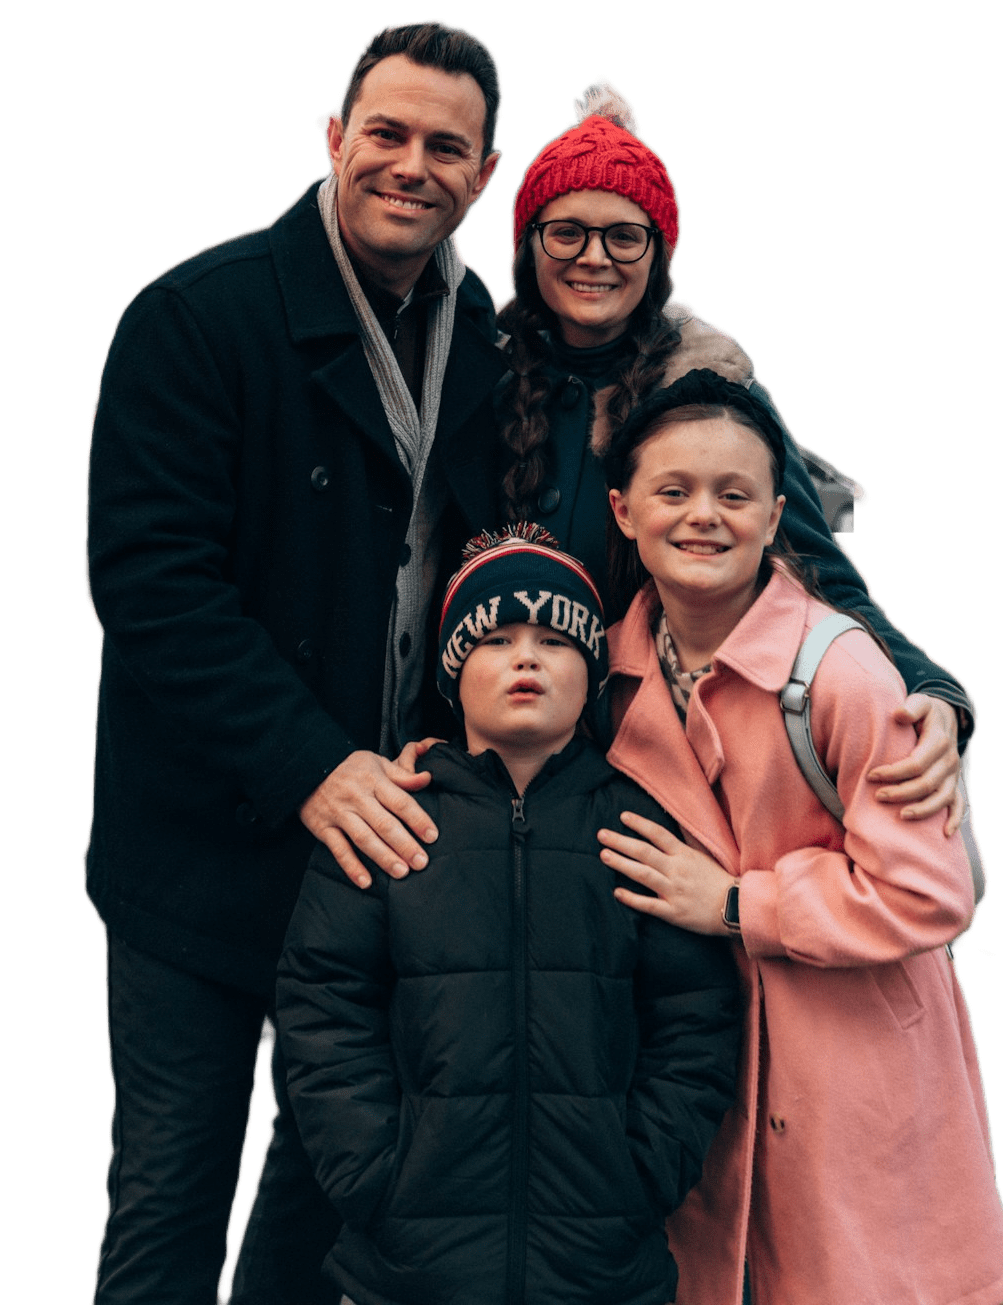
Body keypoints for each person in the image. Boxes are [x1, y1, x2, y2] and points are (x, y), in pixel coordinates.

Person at [83, 19, 508, 1305]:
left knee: (332, 1197)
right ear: (333, 137)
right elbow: (152, 587)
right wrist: (310, 761)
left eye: (446, 146)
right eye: (385, 133)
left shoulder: (476, 328)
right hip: (207, 843)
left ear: (482, 176)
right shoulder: (194, 318)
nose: (410, 165)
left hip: (386, 847)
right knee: (170, 1192)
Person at [596, 370, 1003, 1305]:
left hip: (854, 1070)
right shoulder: (610, 677)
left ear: (777, 513)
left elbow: (931, 890)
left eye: (734, 494)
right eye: (674, 491)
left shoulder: (841, 673)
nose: (703, 516)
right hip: (707, 1065)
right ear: (624, 512)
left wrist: (741, 904)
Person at [277, 528, 742, 1305]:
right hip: (412, 1267)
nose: (526, 657)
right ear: (454, 671)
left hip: (601, 1266)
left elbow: (694, 1015)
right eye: (495, 638)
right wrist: (372, 1175)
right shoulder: (393, 816)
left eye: (556, 639)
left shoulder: (641, 826)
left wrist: (643, 1169)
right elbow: (322, 1003)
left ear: (593, 672)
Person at [497, 78, 975, 832]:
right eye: (568, 231)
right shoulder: (480, 370)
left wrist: (928, 690)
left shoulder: (703, 384)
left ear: (656, 253)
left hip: (651, 761)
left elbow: (814, 563)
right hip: (502, 750)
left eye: (624, 235)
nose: (595, 257)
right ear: (531, 243)